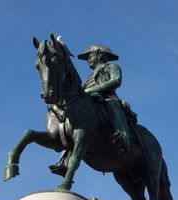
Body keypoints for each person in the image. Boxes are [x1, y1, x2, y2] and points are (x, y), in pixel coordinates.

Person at [49, 44, 132, 176]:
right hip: (91, 100)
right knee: (77, 124)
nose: (88, 59)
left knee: (114, 106)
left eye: (90, 56)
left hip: (107, 99)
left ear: (99, 54)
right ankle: (64, 162)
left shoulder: (111, 67)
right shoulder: (89, 77)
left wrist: (94, 89)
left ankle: (122, 137)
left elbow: (116, 81)